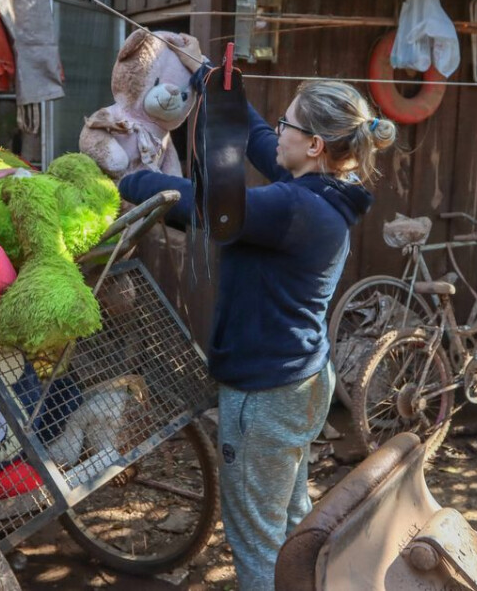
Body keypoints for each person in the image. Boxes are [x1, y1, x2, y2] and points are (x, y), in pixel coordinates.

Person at [118, 78, 397, 590]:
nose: (278, 129)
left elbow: (199, 202)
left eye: (287, 121)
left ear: (315, 144)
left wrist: (129, 177)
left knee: (257, 544)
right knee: (291, 523)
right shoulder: (336, 187)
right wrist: (219, 86)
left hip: (264, 397)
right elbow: (264, 143)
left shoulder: (293, 208)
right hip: (304, 380)